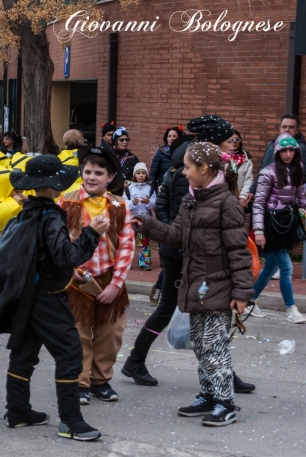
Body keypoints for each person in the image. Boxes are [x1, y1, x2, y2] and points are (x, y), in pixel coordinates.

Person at [0, 154, 106, 441]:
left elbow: (37, 256)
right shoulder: (50, 216)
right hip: (47, 298)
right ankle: (71, 422)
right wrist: (92, 233)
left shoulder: (28, 211)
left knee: (25, 351)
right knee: (69, 353)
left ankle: (17, 410)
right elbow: (66, 256)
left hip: (27, 295)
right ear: (55, 186)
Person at [122, 115, 255, 395]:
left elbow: (230, 241)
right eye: (227, 141)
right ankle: (136, 361)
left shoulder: (214, 173)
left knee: (210, 330)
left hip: (199, 261)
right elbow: (185, 222)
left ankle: (221, 383)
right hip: (184, 257)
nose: (231, 147)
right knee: (175, 315)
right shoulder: (194, 168)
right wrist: (154, 227)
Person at [60, 146, 134, 405]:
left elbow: (127, 245)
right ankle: (79, 382)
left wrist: (116, 283)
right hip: (77, 280)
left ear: (110, 177)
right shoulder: (66, 201)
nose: (91, 176)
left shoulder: (119, 205)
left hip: (108, 279)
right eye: (87, 171)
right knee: (78, 333)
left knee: (111, 334)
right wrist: (70, 271)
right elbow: (57, 240)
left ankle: (100, 380)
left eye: (98, 173)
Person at [250, 134, 306, 323]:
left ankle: (249, 301)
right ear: (277, 152)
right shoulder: (268, 173)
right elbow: (258, 204)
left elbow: (301, 198)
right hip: (272, 225)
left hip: (288, 223)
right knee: (287, 267)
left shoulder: (298, 168)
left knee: (270, 267)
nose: (288, 154)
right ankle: (291, 308)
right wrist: (258, 231)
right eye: (284, 150)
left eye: (292, 150)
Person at [247, 114, 305, 203]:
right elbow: (263, 168)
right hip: (265, 192)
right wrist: (253, 190)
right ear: (279, 128)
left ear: (297, 130)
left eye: (291, 127)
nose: (287, 130)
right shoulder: (272, 144)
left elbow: (302, 175)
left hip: (283, 198)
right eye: (284, 126)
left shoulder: (301, 148)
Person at [124, 163, 155, 271]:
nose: (141, 175)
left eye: (143, 173)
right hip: (132, 217)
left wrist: (148, 202)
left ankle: (145, 262)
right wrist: (132, 203)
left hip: (145, 218)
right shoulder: (129, 188)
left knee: (144, 241)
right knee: (129, 241)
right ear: (134, 175)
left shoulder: (150, 188)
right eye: (138, 173)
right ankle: (126, 262)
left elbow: (154, 203)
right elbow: (125, 203)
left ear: (146, 174)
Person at [150, 126, 183, 192]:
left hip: (178, 189)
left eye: (174, 136)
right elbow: (153, 174)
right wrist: (154, 191)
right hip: (164, 188)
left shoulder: (183, 152)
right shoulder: (161, 152)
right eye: (169, 136)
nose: (171, 138)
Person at [228, 130, 253, 208]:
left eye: (237, 139)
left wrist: (243, 197)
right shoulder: (220, 157)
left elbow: (248, 180)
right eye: (231, 140)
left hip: (238, 200)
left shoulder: (247, 160)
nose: (234, 142)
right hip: (222, 198)